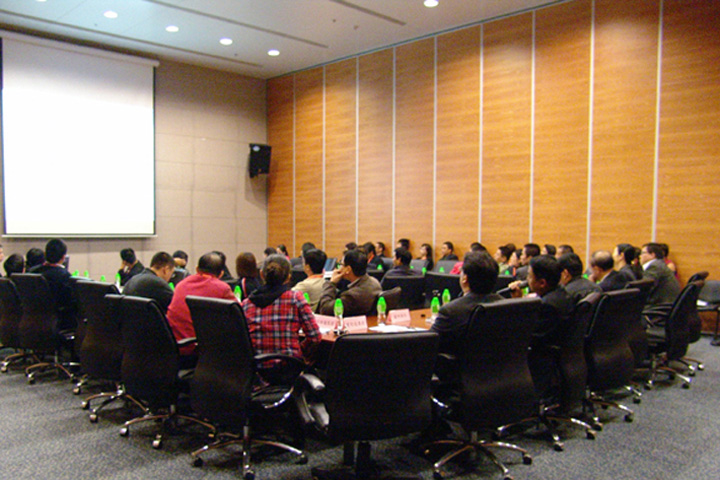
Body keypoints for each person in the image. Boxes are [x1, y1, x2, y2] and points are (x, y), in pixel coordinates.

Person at [243, 254, 321, 383]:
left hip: (258, 372)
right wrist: (300, 349)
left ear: (261, 274)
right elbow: (315, 337)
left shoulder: (246, 304)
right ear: (289, 276)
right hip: (290, 368)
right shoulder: (295, 299)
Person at [510, 255, 574, 399]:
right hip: (562, 358)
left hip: (542, 359)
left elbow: (529, 337)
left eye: (529, 276)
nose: (526, 280)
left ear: (542, 283)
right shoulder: (562, 295)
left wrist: (516, 306)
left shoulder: (548, 306)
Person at [165, 252, 237, 366]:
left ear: (197, 269)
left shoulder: (181, 284)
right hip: (197, 352)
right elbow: (240, 316)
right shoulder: (222, 288)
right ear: (221, 274)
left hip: (173, 348)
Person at [431, 251, 503, 357]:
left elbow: (428, 342)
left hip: (458, 370)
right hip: (499, 369)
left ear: (465, 278)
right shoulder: (504, 305)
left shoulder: (451, 311)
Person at [317, 249, 382, 317]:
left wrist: (331, 283)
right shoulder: (374, 282)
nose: (339, 268)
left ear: (348, 269)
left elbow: (325, 309)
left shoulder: (352, 296)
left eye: (341, 264)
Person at [29, 238, 77, 331]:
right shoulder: (64, 276)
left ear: (45, 254)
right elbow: (71, 303)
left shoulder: (32, 272)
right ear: (63, 257)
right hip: (59, 323)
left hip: (31, 322)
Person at [639, 242, 681, 308]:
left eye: (642, 253)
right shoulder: (660, 265)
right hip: (668, 306)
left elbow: (644, 290)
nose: (640, 256)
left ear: (652, 255)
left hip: (660, 308)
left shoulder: (654, 267)